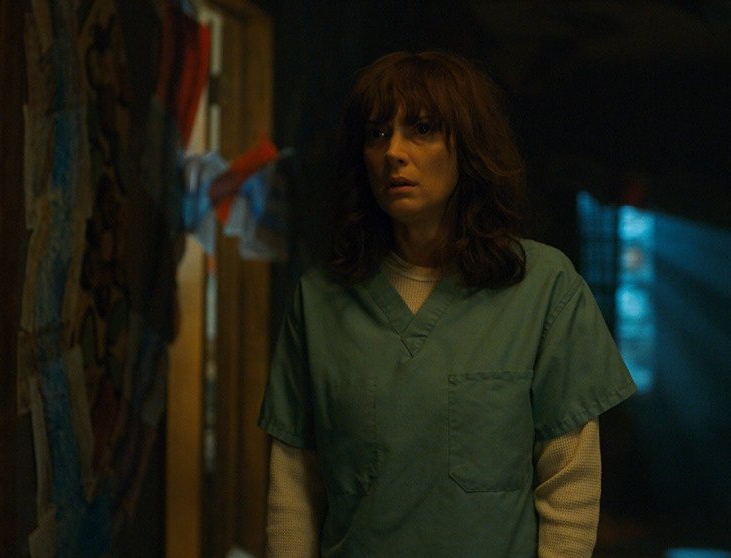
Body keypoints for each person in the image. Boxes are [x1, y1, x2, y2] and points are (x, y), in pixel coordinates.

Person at [258, 50, 636, 557]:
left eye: (422, 130)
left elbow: (569, 481)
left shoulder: (543, 288)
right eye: (377, 133)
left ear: (468, 148)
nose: (394, 152)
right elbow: (294, 488)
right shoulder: (321, 300)